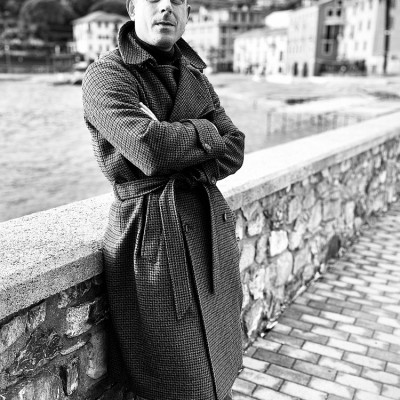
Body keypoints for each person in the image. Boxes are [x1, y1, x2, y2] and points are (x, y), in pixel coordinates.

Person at [82, 0, 245, 399]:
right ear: (132, 7)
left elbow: (235, 149)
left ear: (188, 13)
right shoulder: (107, 74)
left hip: (208, 229)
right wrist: (206, 130)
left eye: (178, 1)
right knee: (172, 377)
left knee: (220, 365)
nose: (166, 7)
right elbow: (149, 148)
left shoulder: (196, 76)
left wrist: (176, 139)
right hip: (151, 235)